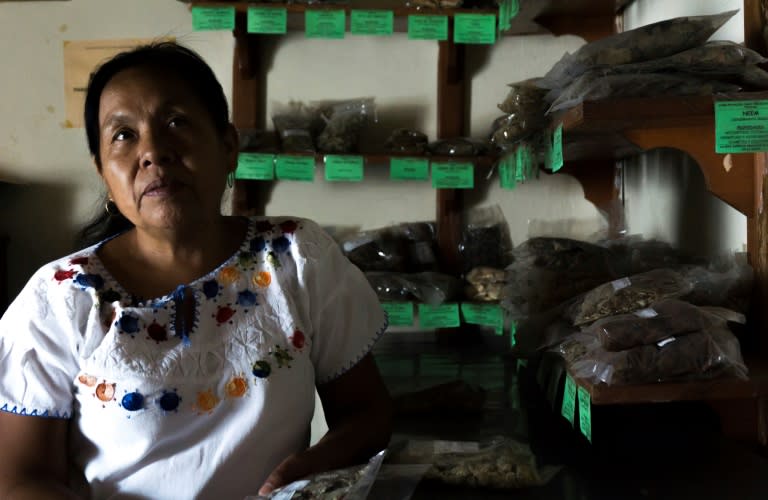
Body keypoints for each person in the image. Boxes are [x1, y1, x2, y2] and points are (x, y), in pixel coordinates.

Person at [0, 42, 392, 499]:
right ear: (104, 172)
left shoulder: (295, 257)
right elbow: (19, 477)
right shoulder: (61, 297)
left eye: (176, 122)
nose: (153, 152)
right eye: (123, 135)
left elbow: (366, 413)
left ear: (228, 147)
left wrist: (304, 473)